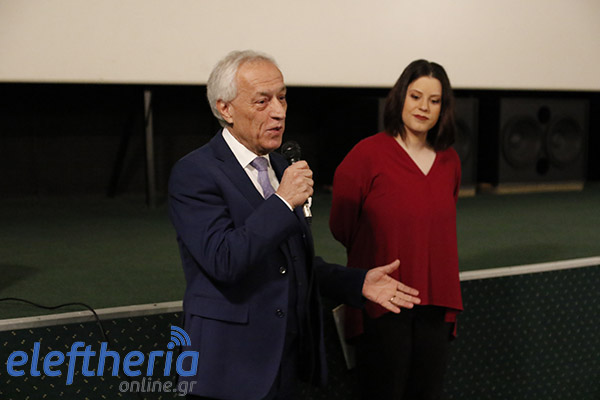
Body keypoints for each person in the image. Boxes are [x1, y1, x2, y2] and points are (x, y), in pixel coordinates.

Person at [168, 50, 421, 400]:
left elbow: (290, 263)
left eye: (282, 97)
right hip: (228, 369)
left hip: (285, 363)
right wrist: (283, 202)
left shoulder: (280, 166)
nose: (279, 111)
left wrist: (356, 282)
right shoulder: (195, 172)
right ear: (225, 108)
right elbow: (224, 260)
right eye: (262, 101)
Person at [329, 59, 463, 400]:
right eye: (416, 96)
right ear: (400, 97)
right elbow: (342, 225)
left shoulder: (450, 161)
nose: (424, 107)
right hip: (382, 302)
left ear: (443, 109)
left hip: (435, 302)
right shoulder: (367, 155)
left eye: (434, 101)